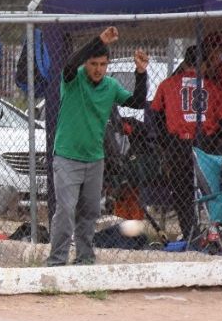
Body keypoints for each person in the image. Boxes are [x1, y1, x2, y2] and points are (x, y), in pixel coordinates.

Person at [45, 27, 148, 267]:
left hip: (95, 159)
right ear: (86, 64)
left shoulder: (110, 86)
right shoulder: (73, 80)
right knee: (66, 210)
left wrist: (141, 73)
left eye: (103, 64)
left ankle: (84, 259)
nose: (98, 69)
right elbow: (70, 64)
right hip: (68, 157)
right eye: (93, 64)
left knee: (89, 212)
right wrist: (98, 40)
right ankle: (57, 260)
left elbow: (137, 102)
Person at [147, 45, 222, 242]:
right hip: (204, 144)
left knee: (182, 189)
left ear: (184, 62)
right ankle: (213, 231)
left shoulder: (168, 84)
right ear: (203, 65)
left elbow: (155, 113)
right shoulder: (212, 87)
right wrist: (213, 137)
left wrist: (165, 140)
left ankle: (189, 230)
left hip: (177, 144)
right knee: (209, 187)